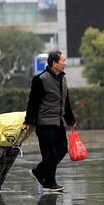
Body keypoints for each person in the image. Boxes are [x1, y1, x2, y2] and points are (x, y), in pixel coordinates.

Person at [23, 50, 76, 192]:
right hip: (44, 123)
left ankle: (39, 172)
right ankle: (49, 184)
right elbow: (33, 103)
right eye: (63, 61)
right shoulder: (40, 79)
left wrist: (70, 119)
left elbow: (66, 100)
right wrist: (28, 122)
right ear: (54, 63)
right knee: (49, 154)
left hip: (58, 122)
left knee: (62, 149)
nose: (65, 63)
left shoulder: (63, 78)